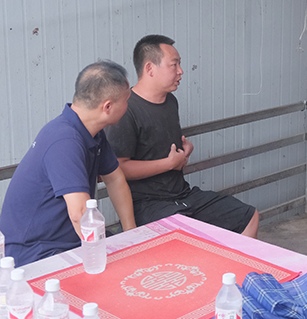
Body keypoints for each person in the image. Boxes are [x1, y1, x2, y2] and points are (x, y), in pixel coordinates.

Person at [105, 35, 259, 237]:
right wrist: (169, 164)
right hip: (147, 204)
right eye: (174, 64)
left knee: (248, 216)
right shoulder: (127, 110)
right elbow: (118, 168)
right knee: (193, 239)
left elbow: (166, 152)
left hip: (182, 195)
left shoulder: (170, 101)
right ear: (150, 68)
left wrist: (183, 153)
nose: (181, 71)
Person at [0, 60, 137, 266]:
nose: (128, 106)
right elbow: (80, 214)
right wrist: (99, 261)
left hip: (69, 241)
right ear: (107, 107)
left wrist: (132, 235)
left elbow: (115, 179)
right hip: (36, 252)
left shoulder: (92, 131)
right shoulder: (64, 141)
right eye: (127, 100)